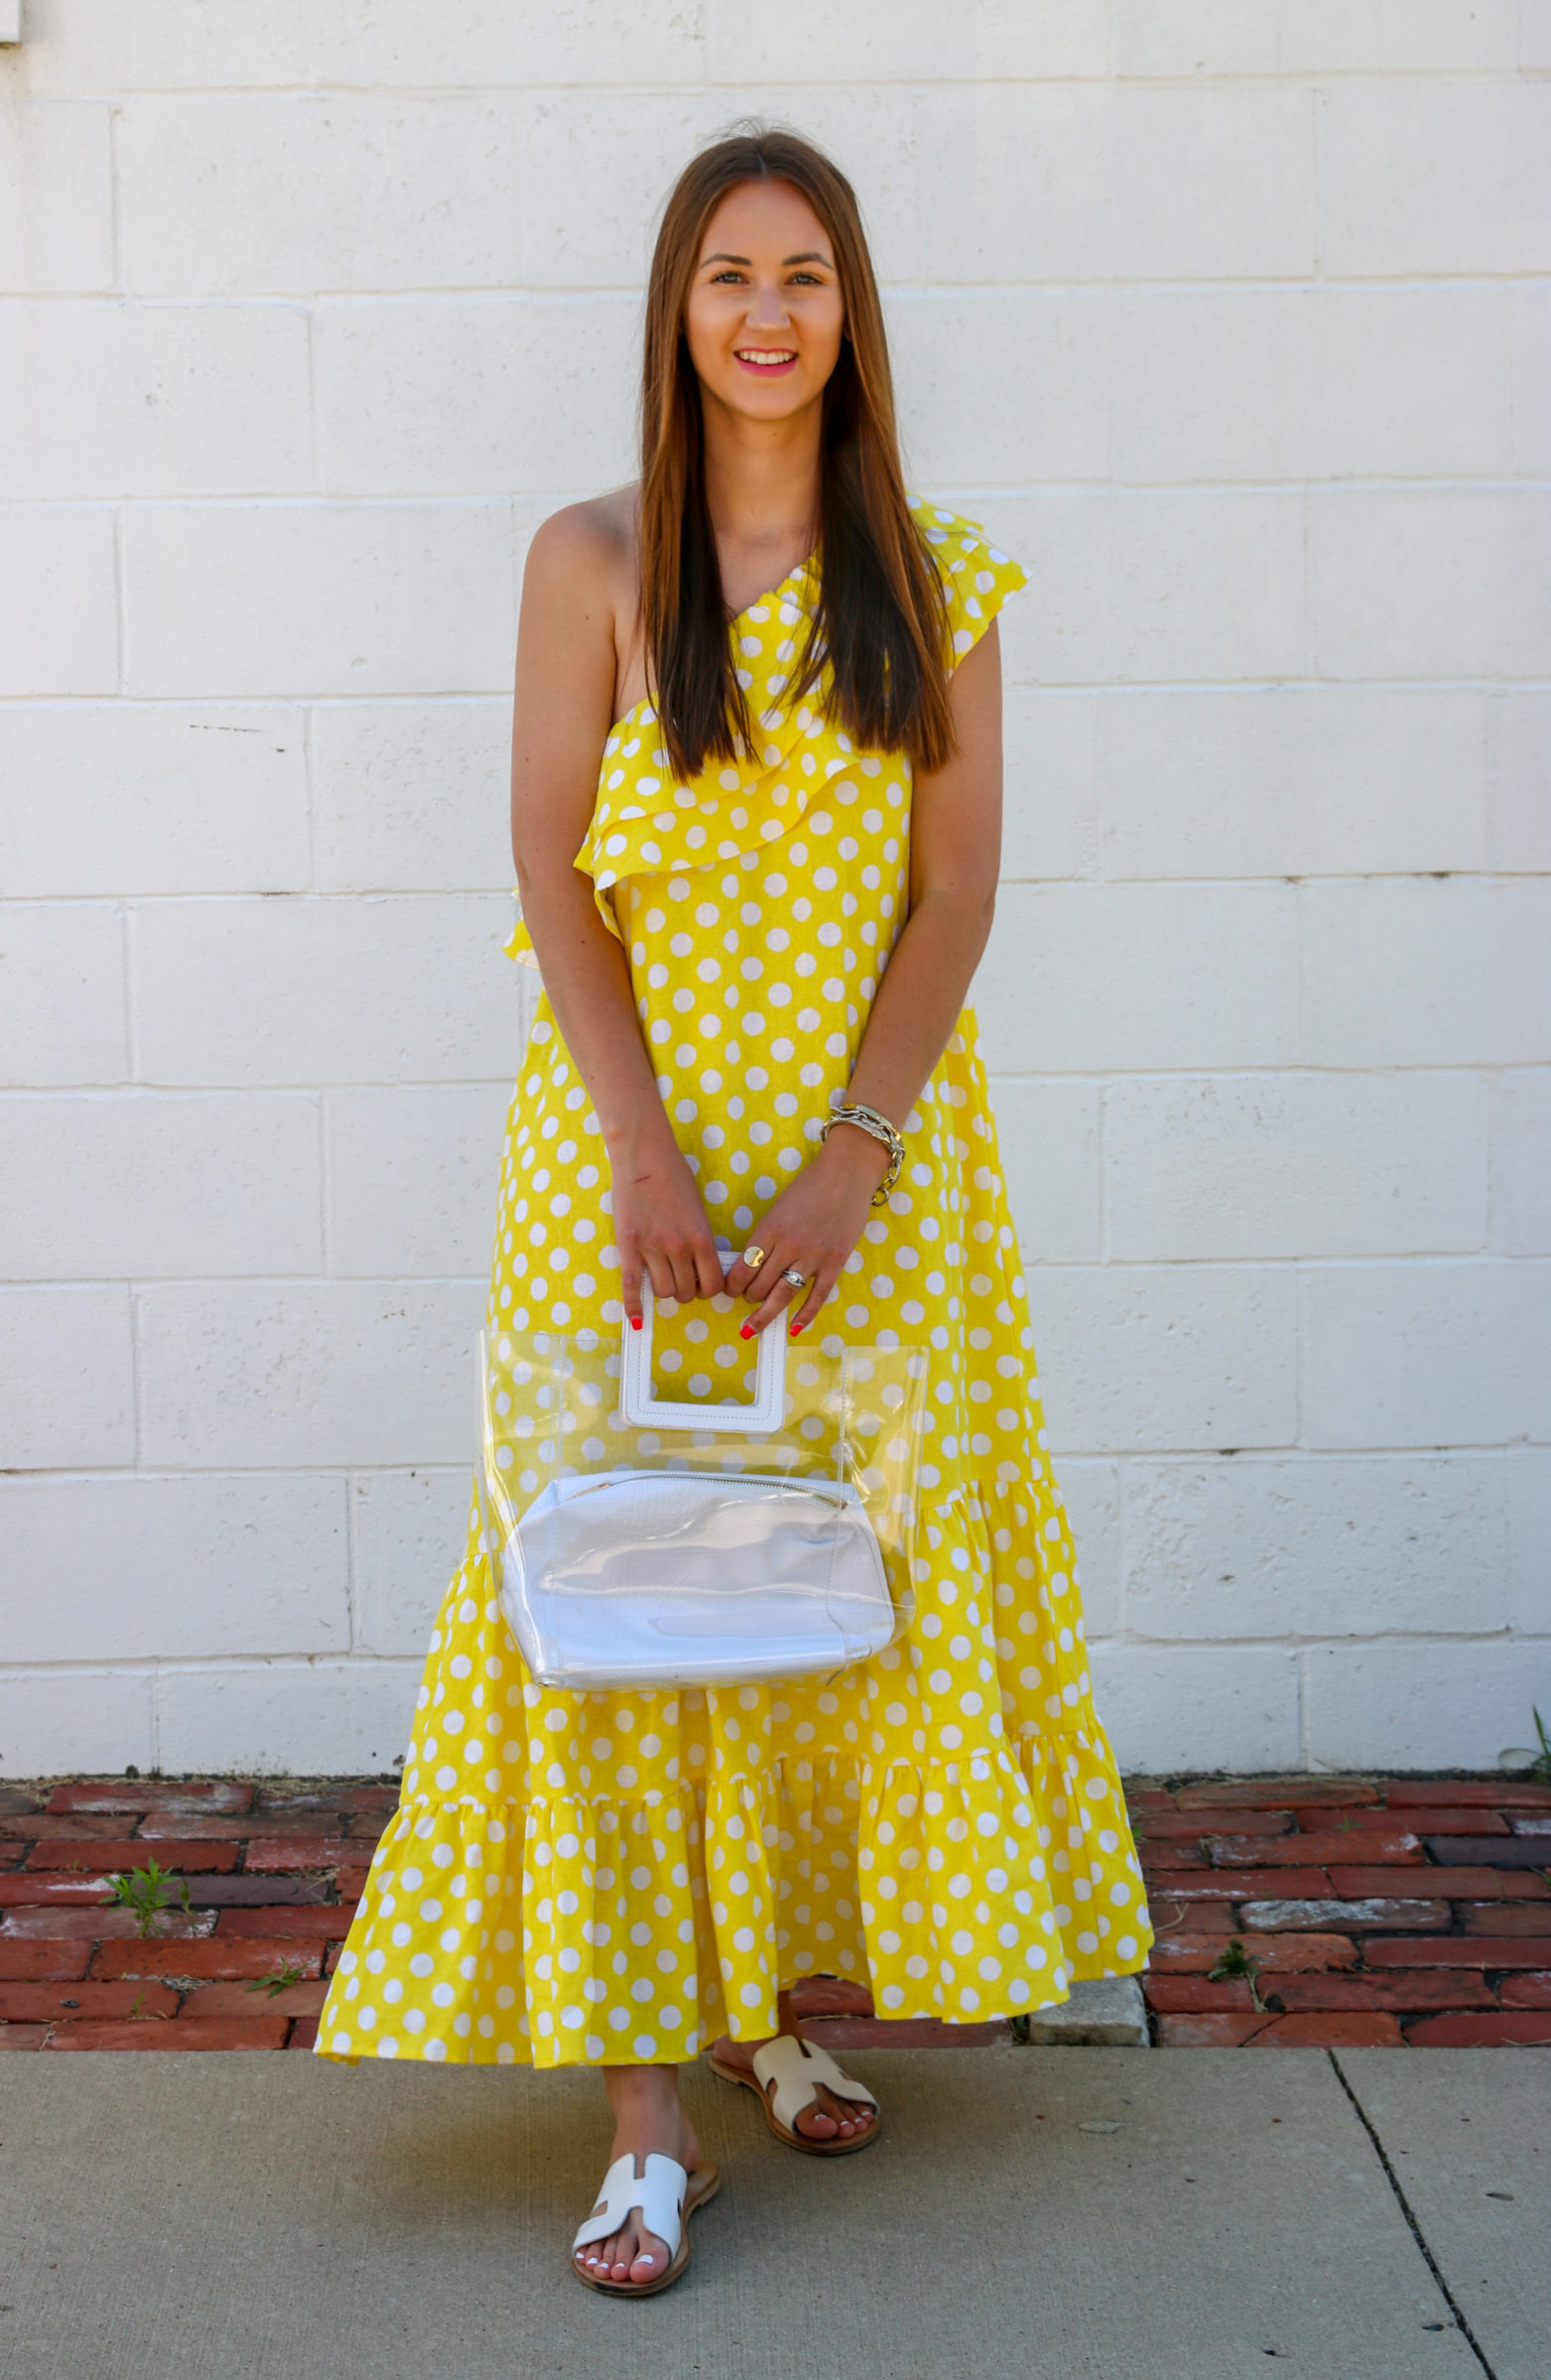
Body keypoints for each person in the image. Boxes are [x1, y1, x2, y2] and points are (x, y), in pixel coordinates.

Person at [316, 125, 1152, 2295]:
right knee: (611, 1598)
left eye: (801, 275)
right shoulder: (589, 557)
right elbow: (548, 872)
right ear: (674, 317)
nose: (765, 312)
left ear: (849, 312)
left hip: (877, 1180)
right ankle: (640, 2122)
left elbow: (954, 893)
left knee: (819, 1582)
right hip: (625, 1168)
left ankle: (779, 2018)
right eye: (724, 278)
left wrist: (853, 1154)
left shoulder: (935, 570)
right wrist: (648, 1155)